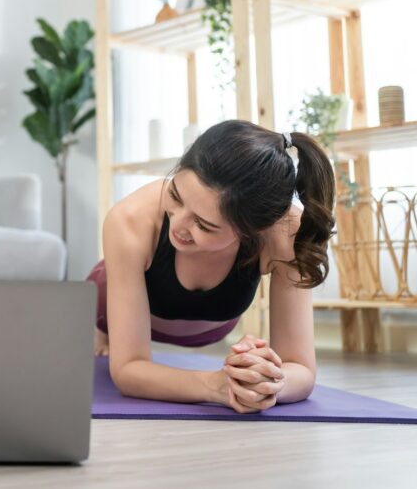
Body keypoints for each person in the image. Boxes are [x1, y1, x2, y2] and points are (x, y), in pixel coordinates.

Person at [89, 119, 335, 413]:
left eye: (204, 225)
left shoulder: (285, 232)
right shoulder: (129, 220)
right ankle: (103, 334)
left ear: (252, 230)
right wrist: (216, 387)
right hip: (104, 309)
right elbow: (128, 370)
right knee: (101, 296)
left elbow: (301, 369)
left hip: (211, 326)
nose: (177, 225)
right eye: (176, 197)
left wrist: (267, 381)